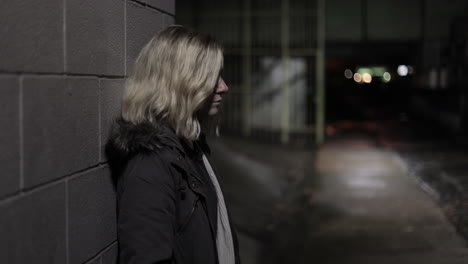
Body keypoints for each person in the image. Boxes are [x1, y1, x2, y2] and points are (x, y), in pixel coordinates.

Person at [106, 25, 240, 264]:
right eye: (212, 77)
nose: (223, 86)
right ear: (183, 82)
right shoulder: (150, 166)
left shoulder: (191, 146)